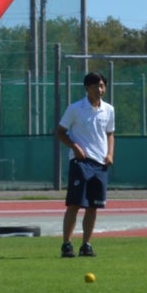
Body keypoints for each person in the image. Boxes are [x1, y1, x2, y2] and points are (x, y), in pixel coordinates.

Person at [55, 72, 115, 257]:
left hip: (100, 163)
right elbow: (60, 131)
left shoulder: (109, 110)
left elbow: (110, 133)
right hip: (81, 162)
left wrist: (110, 153)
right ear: (87, 88)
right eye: (96, 86)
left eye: (102, 86)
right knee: (74, 204)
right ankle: (66, 244)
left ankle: (86, 245)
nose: (100, 90)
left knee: (93, 206)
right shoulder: (75, 108)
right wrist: (75, 147)